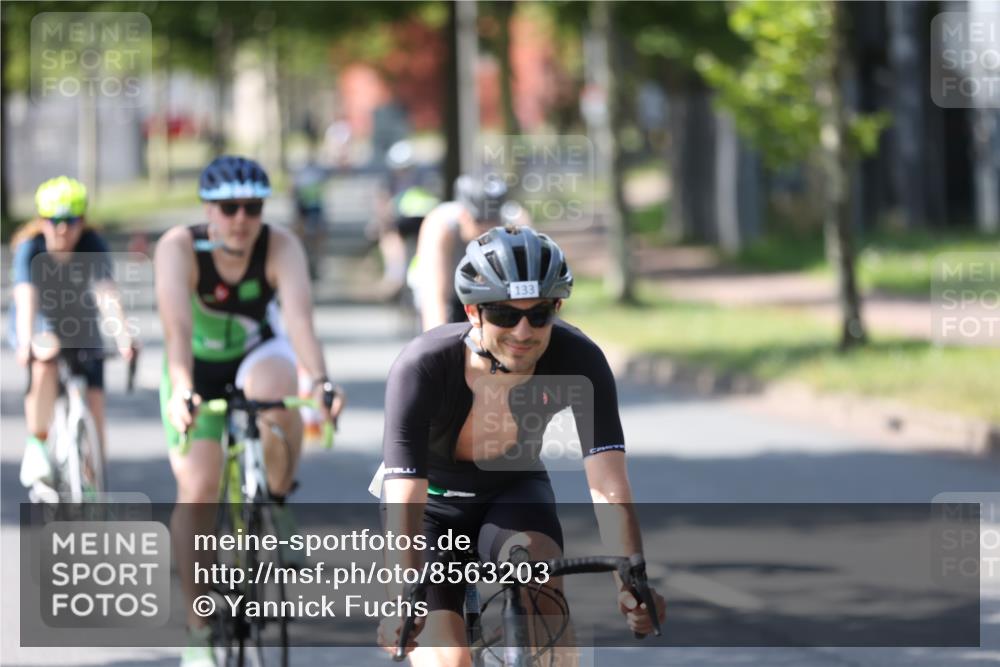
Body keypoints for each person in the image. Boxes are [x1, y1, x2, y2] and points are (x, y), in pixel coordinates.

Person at [375, 225, 665, 665]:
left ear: (558, 307)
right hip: (431, 505)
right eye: (505, 315)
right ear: (473, 311)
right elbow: (406, 492)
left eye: (540, 313)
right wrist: (404, 594)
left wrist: (632, 578)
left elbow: (608, 483)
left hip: (512, 490)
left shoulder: (579, 358)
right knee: (447, 659)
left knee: (541, 584)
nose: (524, 331)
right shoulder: (423, 366)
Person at [154, 155, 345, 667]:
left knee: (279, 393)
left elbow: (300, 321)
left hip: (257, 354)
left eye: (253, 207)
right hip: (193, 368)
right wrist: (180, 390)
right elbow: (175, 333)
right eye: (228, 207)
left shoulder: (280, 245)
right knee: (197, 490)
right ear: (208, 210)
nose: (241, 218)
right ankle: (198, 632)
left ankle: (276, 500)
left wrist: (322, 380)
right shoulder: (179, 248)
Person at [11, 176, 137, 493]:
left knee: (95, 404)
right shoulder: (31, 248)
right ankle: (37, 444)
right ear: (42, 221)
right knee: (45, 356)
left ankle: (93, 482)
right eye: (54, 221)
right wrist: (26, 342)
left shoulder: (92, 244)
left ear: (83, 220)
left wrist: (123, 336)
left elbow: (107, 294)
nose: (63, 229)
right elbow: (26, 299)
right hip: (41, 321)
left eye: (72, 220)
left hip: (80, 324)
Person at [410, 173, 522, 330]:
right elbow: (434, 296)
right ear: (463, 215)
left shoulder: (515, 222)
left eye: (494, 222)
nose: (487, 231)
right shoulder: (441, 224)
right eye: (480, 222)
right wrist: (439, 344)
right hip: (447, 287)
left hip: (488, 292)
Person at [370, 140, 440, 298]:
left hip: (421, 220)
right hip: (401, 222)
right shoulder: (389, 182)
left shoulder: (423, 179)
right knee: (390, 237)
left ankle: (397, 275)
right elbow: (383, 206)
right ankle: (396, 275)